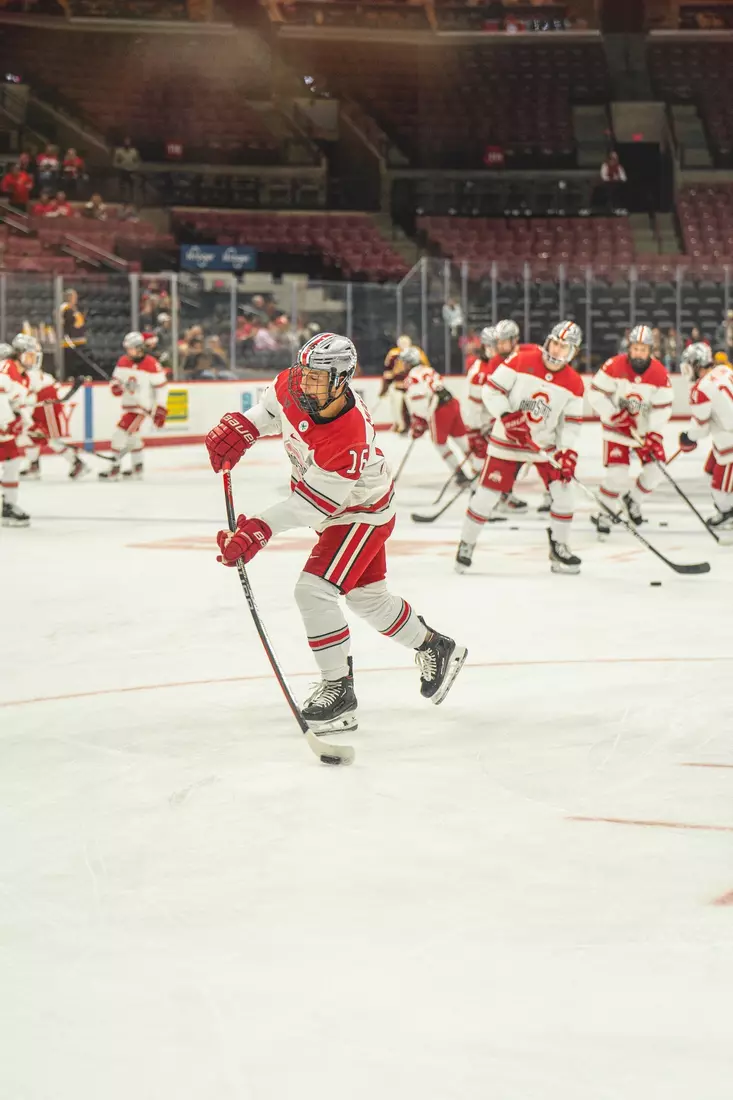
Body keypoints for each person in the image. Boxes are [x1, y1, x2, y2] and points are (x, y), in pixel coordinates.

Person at [205, 332, 467, 733]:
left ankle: (338, 690)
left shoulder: (349, 434)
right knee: (368, 600)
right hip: (336, 510)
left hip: (360, 512)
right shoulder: (293, 384)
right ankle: (435, 646)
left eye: (317, 378)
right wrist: (245, 427)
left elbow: (314, 505)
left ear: (342, 378)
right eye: (304, 373)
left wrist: (258, 528)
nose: (305, 384)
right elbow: (271, 411)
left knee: (312, 590)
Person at [455, 321, 584, 575]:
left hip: (543, 447)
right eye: (555, 343)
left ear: (573, 352)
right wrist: (506, 415)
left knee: (566, 495)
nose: (557, 350)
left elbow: (571, 423)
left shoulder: (574, 383)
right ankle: (466, 544)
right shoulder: (521, 359)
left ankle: (559, 547)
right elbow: (492, 390)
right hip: (507, 441)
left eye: (564, 347)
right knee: (486, 497)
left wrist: (567, 451)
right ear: (548, 341)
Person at [587, 324, 673, 536]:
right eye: (635, 348)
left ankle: (633, 500)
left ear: (650, 350)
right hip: (617, 430)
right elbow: (595, 393)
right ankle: (605, 513)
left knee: (656, 470)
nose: (638, 353)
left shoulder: (659, 373)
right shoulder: (614, 365)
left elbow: (663, 407)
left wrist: (653, 432)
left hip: (643, 432)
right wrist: (614, 415)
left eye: (643, 349)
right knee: (617, 476)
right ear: (629, 348)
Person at [465, 320, 529, 512]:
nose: (494, 350)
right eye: (490, 346)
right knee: (486, 464)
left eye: (496, 345)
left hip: (495, 423)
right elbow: (474, 405)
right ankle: (478, 503)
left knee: (511, 460)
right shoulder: (479, 372)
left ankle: (503, 495)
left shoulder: (498, 365)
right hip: (482, 425)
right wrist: (477, 430)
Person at [679, 342, 733, 534]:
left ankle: (728, 513)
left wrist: (688, 437)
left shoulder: (701, 389)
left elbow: (699, 429)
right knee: (710, 470)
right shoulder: (724, 370)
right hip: (725, 439)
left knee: (720, 490)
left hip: (730, 443)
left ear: (696, 364)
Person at [100, 332, 168, 480]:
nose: (128, 351)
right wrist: (116, 387)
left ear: (139, 347)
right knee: (133, 437)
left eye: (130, 348)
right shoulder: (123, 361)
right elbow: (116, 380)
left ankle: (114, 468)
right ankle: (138, 467)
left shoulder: (151, 364)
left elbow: (161, 388)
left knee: (120, 434)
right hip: (129, 406)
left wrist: (161, 408)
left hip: (141, 409)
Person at [402, 349, 474, 483]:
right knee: (462, 440)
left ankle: (459, 474)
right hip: (452, 403)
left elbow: (419, 400)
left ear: (408, 363)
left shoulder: (411, 378)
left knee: (440, 444)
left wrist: (419, 422)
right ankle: (479, 469)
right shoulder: (428, 369)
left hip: (439, 410)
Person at [20, 349, 88, 481]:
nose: (29, 360)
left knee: (53, 440)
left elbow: (29, 395)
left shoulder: (32, 373)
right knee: (31, 435)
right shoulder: (27, 373)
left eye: (31, 357)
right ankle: (33, 466)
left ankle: (77, 463)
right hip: (38, 408)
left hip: (48, 408)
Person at [0, 335, 37, 527]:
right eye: (29, 355)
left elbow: (19, 404)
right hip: (1, 426)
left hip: (4, 430)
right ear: (19, 354)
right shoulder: (7, 367)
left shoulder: (24, 377)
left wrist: (26, 423)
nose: (32, 360)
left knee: (13, 462)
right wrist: (7, 420)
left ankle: (9, 505)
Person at [380, 334, 427, 433]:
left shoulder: (417, 352)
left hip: (413, 387)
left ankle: (417, 424)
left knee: (414, 406)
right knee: (396, 406)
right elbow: (388, 372)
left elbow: (424, 369)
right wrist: (385, 386)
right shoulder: (393, 354)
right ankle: (399, 423)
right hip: (399, 385)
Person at [60, 288, 90, 378]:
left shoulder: (73, 308)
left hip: (77, 339)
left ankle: (79, 375)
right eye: (74, 297)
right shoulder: (66, 308)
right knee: (71, 360)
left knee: (79, 360)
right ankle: (70, 377)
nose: (76, 299)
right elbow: (70, 321)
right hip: (70, 340)